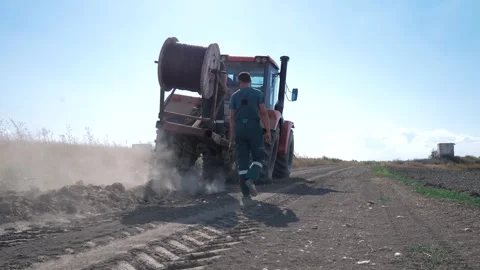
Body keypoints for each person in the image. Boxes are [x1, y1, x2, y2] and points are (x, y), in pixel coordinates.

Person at [228, 72, 271, 202]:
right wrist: (268, 130)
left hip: (240, 129)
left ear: (239, 81)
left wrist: (231, 137)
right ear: (250, 81)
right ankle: (251, 178)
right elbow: (263, 112)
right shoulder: (258, 94)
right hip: (254, 128)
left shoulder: (234, 96)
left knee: (242, 162)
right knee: (259, 157)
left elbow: (231, 118)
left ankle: (246, 194)